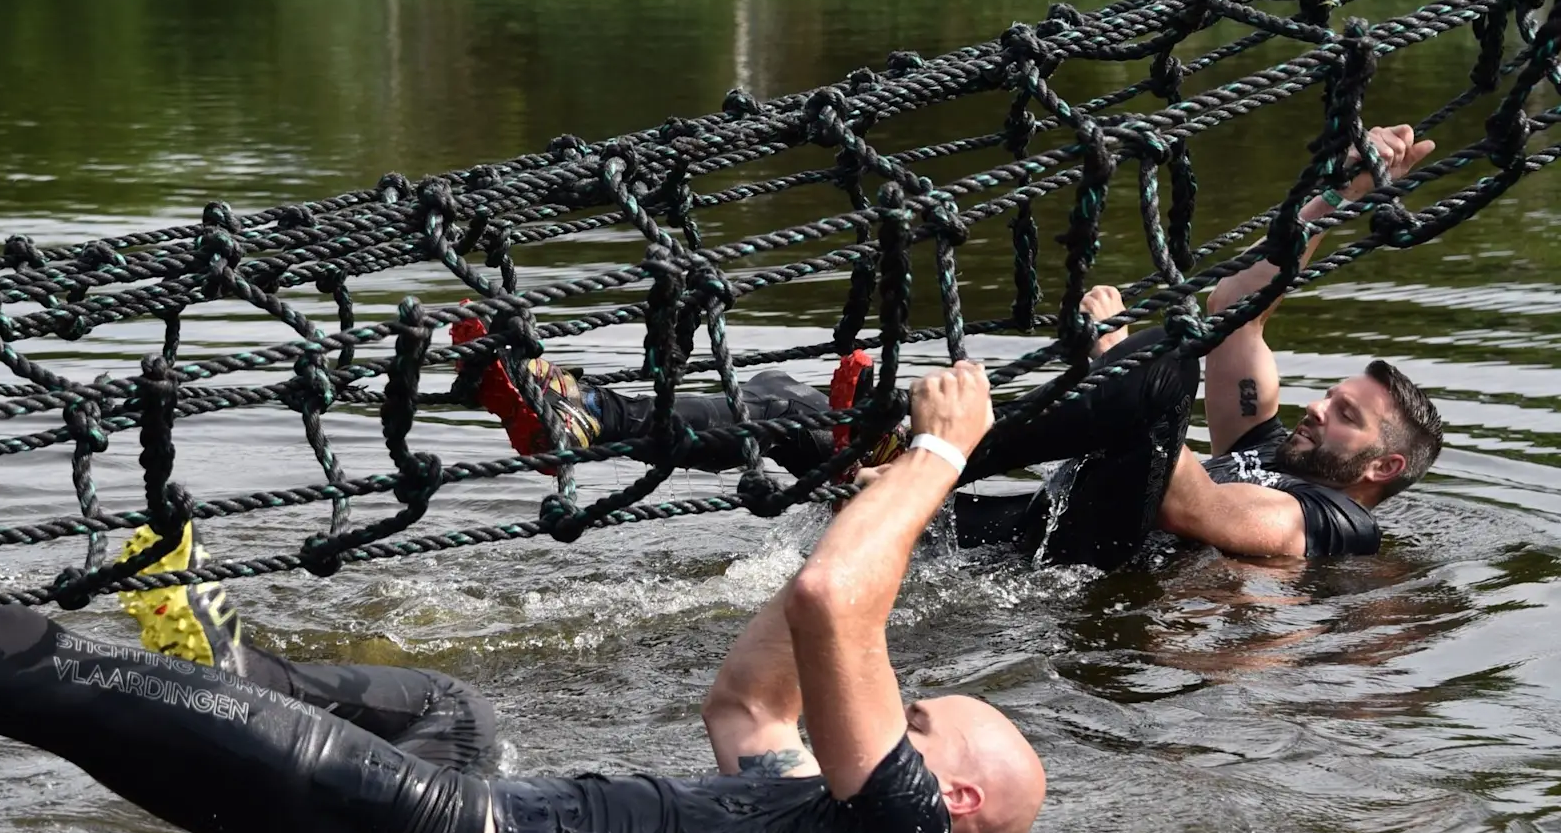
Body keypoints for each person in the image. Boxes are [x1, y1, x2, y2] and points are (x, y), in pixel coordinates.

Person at [0, 362, 1043, 833]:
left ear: (952, 793)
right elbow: (756, 695)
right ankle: (221, 661)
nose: (897, 707)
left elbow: (831, 610)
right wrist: (860, 501)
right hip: (468, 798)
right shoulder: (813, 814)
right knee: (456, 710)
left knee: (35, 663)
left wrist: (938, 456)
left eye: (918, 720)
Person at [462, 124, 1446, 567]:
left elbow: (1206, 515)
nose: (1321, 405)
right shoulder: (1273, 440)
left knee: (1162, 367)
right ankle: (590, 417)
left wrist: (1108, 360)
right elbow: (1246, 308)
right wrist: (1340, 192)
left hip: (1099, 561)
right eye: (1333, 394)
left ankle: (918, 443)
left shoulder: (1334, 528)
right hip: (1015, 534)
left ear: (1383, 466)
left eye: (1347, 414)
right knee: (816, 420)